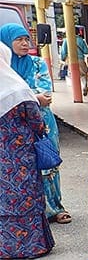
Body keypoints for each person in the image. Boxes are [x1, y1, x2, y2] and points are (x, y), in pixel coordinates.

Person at [0, 23, 71, 224]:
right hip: (14, 128)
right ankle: (34, 210)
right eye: (19, 40)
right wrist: (31, 96)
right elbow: (35, 95)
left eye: (26, 40)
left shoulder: (38, 63)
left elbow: (45, 94)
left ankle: (56, 207)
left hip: (42, 122)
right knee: (22, 170)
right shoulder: (3, 67)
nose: (24, 43)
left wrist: (21, 97)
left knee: (48, 163)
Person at [0, 41, 55, 259]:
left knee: (4, 199)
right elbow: (37, 122)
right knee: (26, 196)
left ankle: (6, 248)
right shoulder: (17, 88)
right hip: (21, 157)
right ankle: (32, 246)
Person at [59, 30, 88, 96]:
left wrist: (63, 59)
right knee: (83, 74)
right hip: (80, 59)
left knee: (73, 75)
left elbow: (63, 52)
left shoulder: (66, 40)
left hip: (71, 60)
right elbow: (86, 51)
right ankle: (84, 86)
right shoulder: (80, 40)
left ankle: (77, 93)